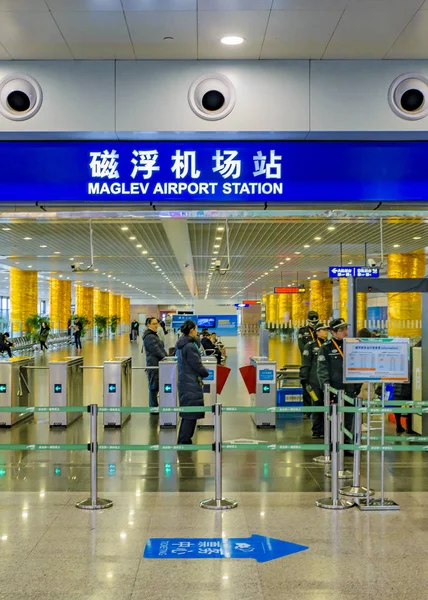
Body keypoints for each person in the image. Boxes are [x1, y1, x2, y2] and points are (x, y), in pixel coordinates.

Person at [317, 318, 360, 446]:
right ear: (333, 332)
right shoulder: (326, 348)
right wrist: (327, 389)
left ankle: (346, 444)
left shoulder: (351, 346)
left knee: (348, 419)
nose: (345, 332)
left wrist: (357, 385)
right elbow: (322, 370)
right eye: (342, 330)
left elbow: (358, 367)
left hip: (350, 389)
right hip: (334, 390)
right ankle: (333, 445)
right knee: (334, 419)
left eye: (346, 329)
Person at [175, 319, 209, 445]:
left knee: (189, 413)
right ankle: (184, 441)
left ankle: (185, 439)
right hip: (191, 383)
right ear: (191, 330)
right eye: (196, 329)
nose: (197, 331)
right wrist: (205, 373)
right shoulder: (189, 347)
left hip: (186, 381)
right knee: (190, 414)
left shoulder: (182, 344)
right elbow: (196, 364)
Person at [300, 323, 330, 438]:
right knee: (317, 405)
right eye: (323, 330)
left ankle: (327, 430)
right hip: (314, 382)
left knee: (327, 406)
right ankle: (317, 431)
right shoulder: (310, 346)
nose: (326, 332)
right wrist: (304, 379)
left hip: (326, 382)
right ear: (317, 332)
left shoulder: (328, 346)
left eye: (327, 330)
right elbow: (306, 364)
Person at [298, 311, 319, 417]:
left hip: (318, 362)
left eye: (316, 322)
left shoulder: (320, 331)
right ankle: (307, 411)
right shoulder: (302, 331)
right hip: (307, 361)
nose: (314, 324)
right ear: (308, 321)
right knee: (306, 387)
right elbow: (301, 346)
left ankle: (317, 411)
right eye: (312, 322)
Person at [143, 317, 167, 408]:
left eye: (157, 323)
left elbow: (160, 349)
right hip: (153, 365)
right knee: (153, 387)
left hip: (157, 364)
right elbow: (156, 350)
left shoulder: (153, 334)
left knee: (157, 385)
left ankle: (156, 406)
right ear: (148, 325)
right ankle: (153, 407)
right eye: (153, 324)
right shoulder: (149, 336)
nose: (156, 325)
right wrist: (166, 358)